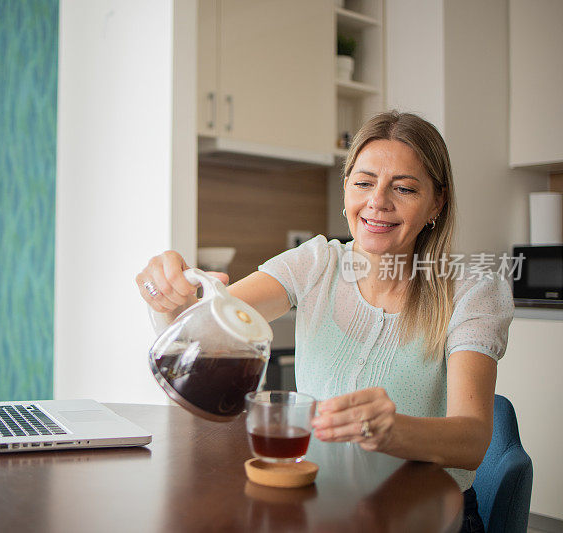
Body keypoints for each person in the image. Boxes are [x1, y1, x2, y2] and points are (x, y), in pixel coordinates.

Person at [135, 111, 512, 533]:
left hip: (427, 515)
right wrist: (169, 296)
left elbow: (473, 440)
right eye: (364, 182)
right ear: (345, 188)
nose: (378, 202)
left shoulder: (472, 289)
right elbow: (205, 326)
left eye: (404, 188)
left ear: (436, 203)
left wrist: (392, 431)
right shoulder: (316, 262)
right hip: (321, 507)